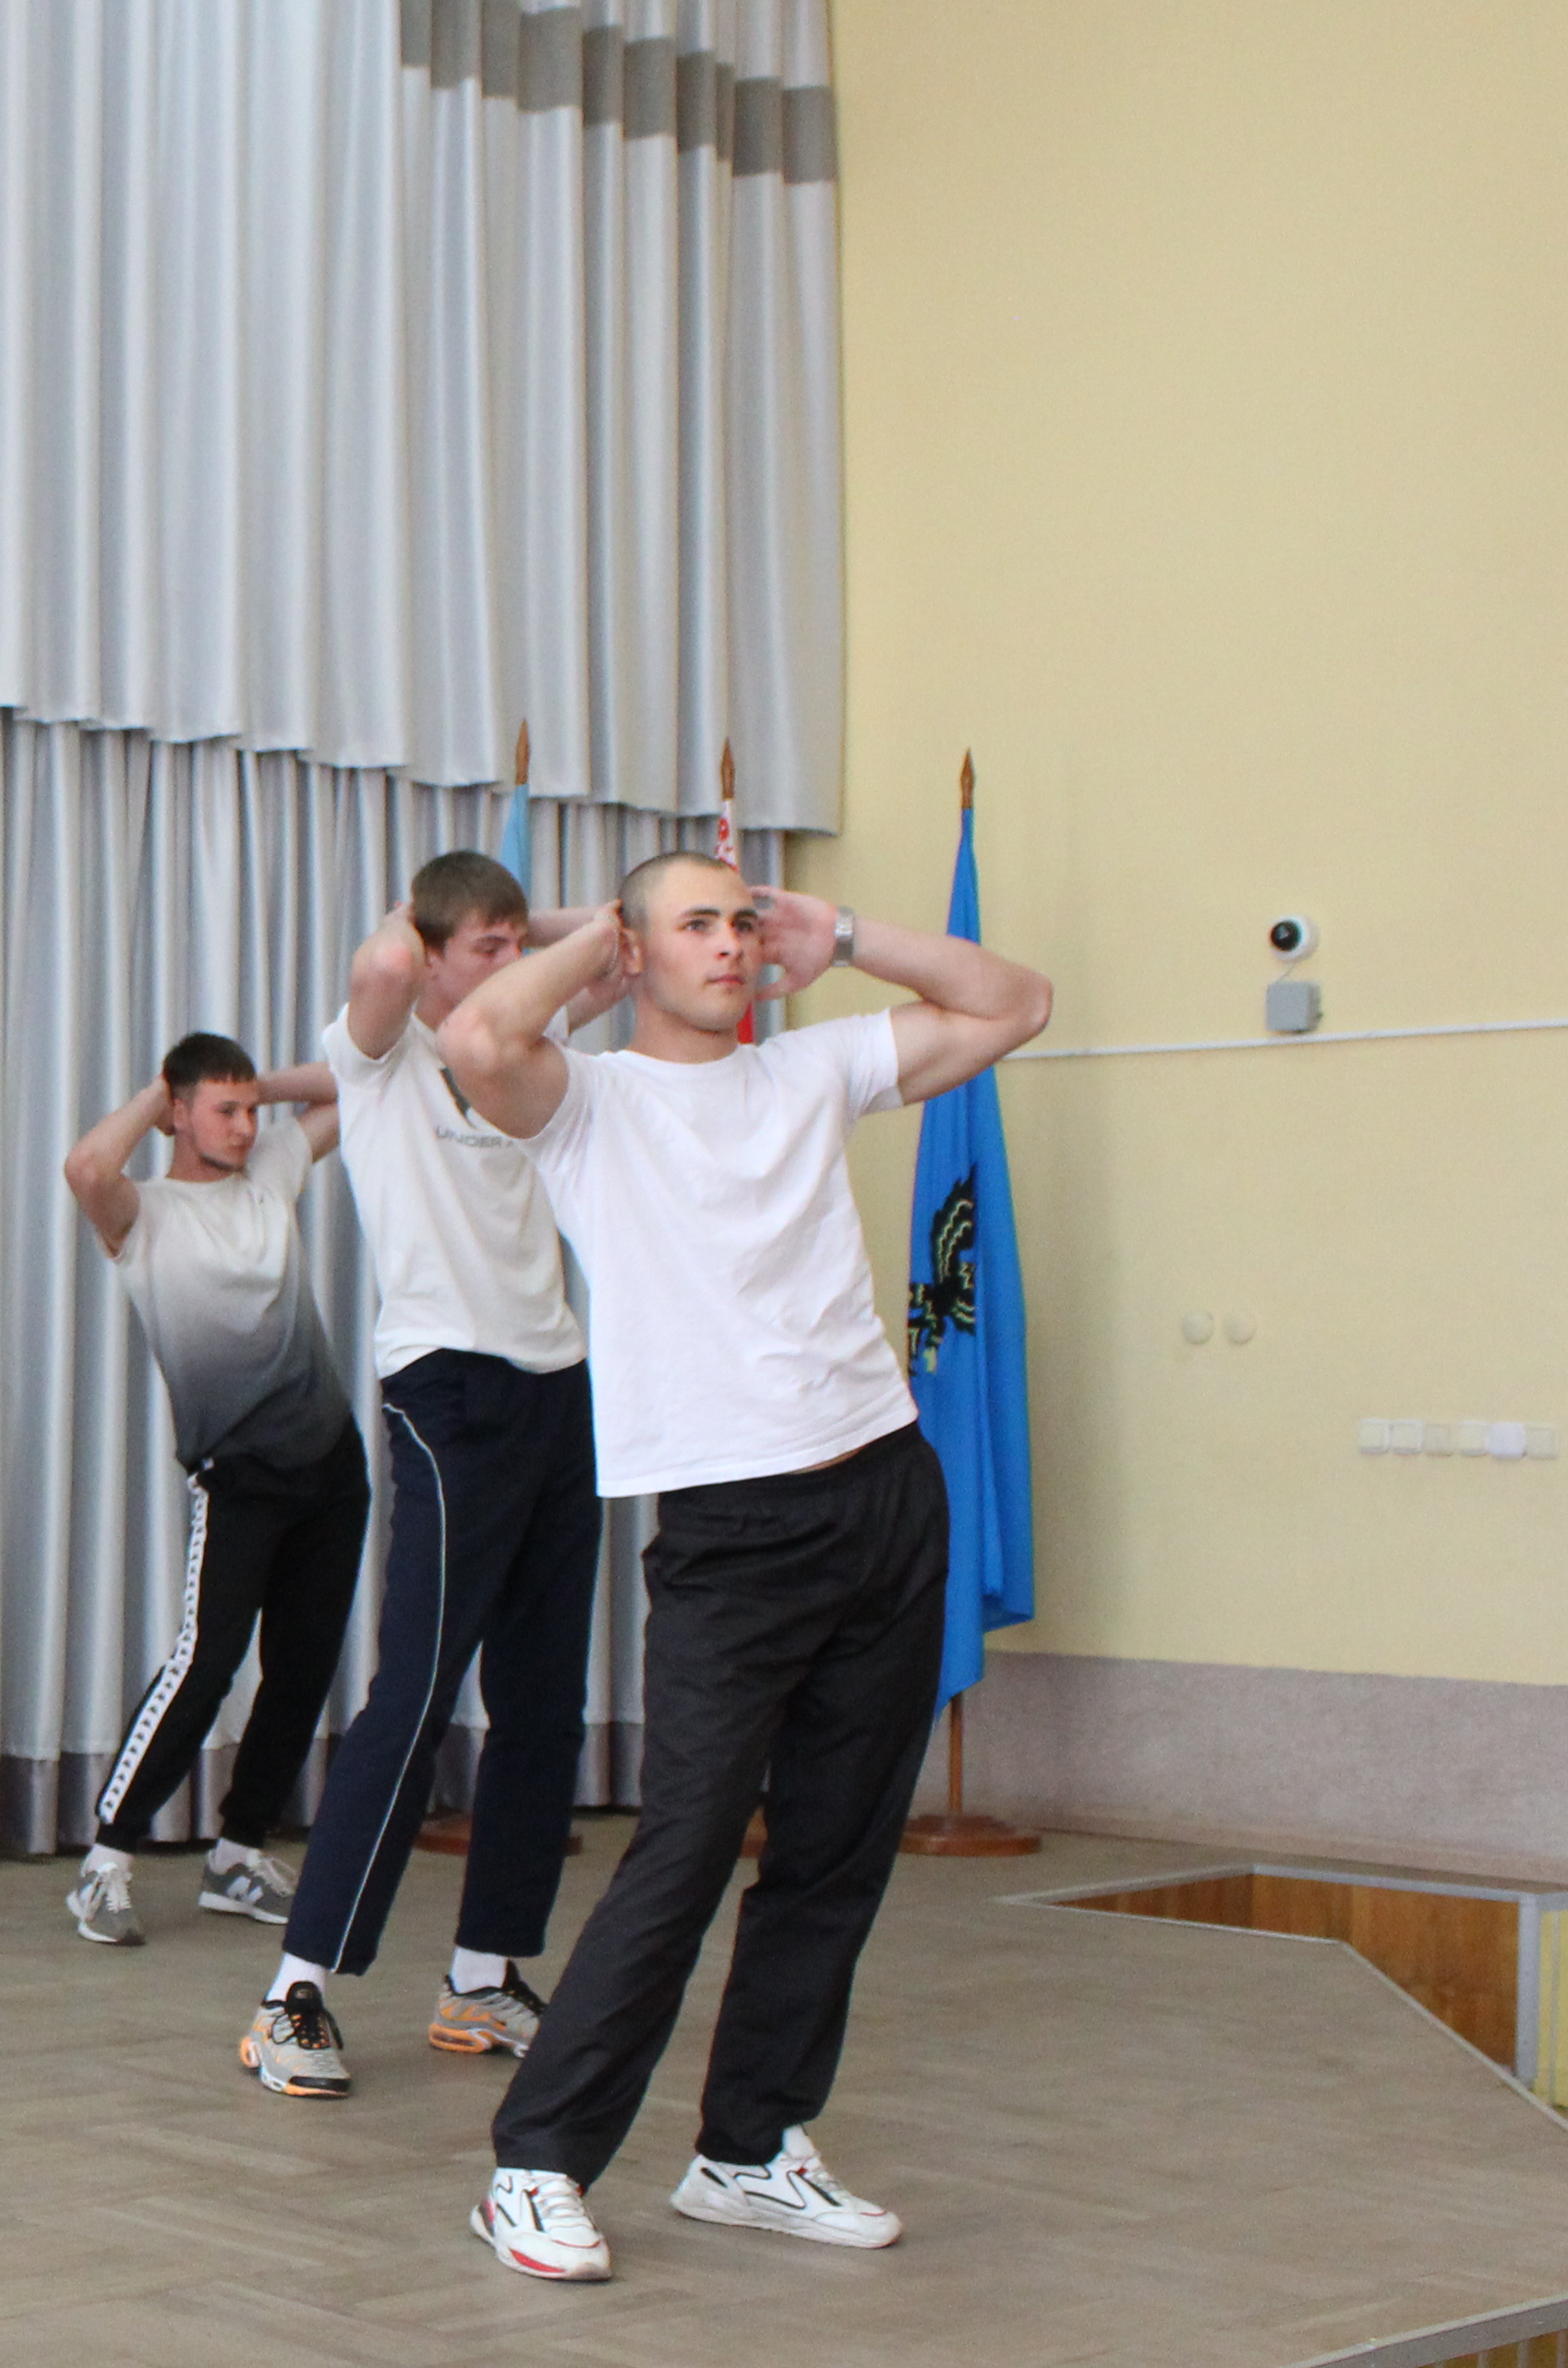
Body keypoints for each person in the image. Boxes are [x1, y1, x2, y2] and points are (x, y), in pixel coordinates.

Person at [434, 851, 1047, 2283]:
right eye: (694, 925)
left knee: (835, 1850)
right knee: (687, 1848)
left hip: (884, 1489)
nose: (728, 945)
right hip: (731, 1527)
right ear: (634, 952)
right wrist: (598, 939)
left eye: (741, 922)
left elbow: (1016, 1002)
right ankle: (535, 2166)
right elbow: (477, 1035)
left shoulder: (811, 1070)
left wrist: (851, 932)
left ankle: (748, 2148)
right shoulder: (588, 1103)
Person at [242, 852, 627, 2099]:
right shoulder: (378, 1059)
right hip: (446, 1392)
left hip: (557, 1384)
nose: (514, 968)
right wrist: (433, 922)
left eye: (521, 947)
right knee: (414, 1695)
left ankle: (482, 1974)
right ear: (433, 947)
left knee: (543, 1704)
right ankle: (293, 1993)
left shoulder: (523, 1053)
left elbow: (615, 950)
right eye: (488, 948)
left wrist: (519, 932)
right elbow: (383, 965)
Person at [54, 1039, 372, 2032]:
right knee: (205, 1663)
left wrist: (259, 1087)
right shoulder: (142, 1215)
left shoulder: (271, 1168)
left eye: (250, 1110)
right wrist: (160, 1091)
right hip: (240, 1479)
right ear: (176, 1114)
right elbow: (84, 1166)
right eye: (221, 1110)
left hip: (332, 1470)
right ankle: (106, 1860)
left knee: (304, 1667)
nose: (245, 1126)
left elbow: (361, 1082)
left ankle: (237, 1853)